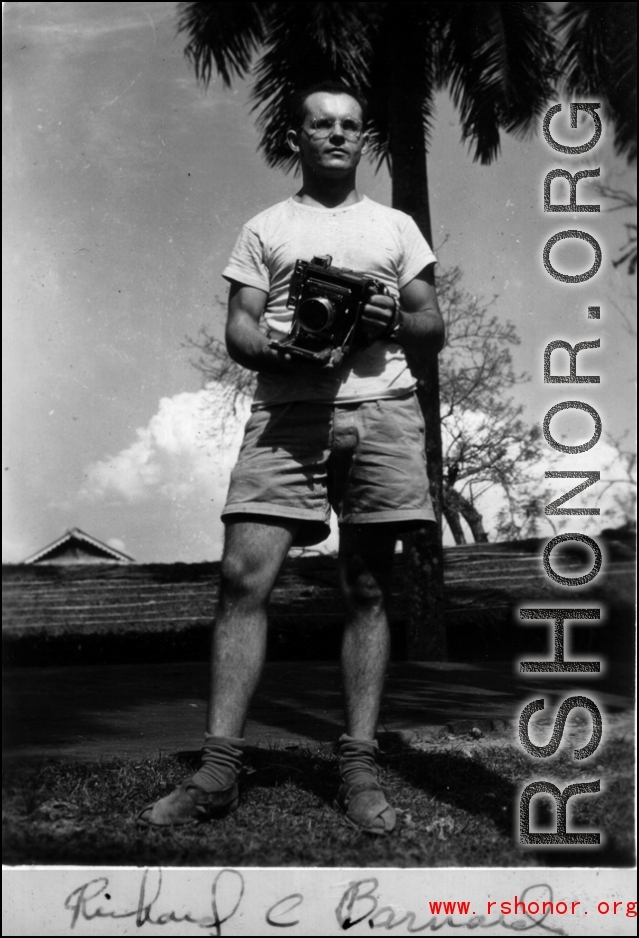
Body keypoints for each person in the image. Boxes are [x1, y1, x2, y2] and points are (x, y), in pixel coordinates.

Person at [139, 81, 445, 835]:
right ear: (298, 138)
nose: (337, 136)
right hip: (286, 412)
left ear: (361, 138)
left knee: (369, 587)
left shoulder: (396, 227)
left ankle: (359, 768)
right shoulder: (265, 228)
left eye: (349, 126)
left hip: (382, 411)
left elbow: (431, 328)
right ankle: (216, 770)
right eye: (321, 125)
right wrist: (277, 344)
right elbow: (238, 330)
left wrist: (389, 314)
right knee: (243, 576)